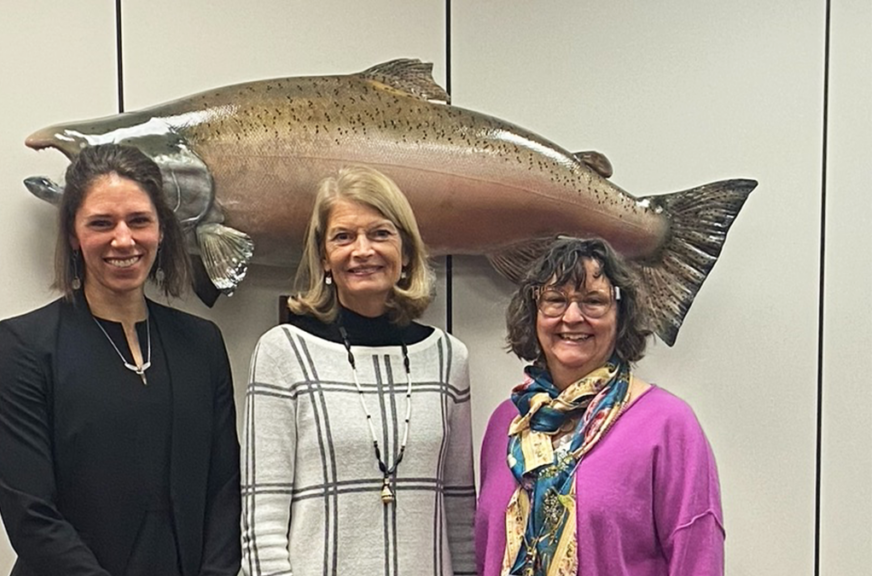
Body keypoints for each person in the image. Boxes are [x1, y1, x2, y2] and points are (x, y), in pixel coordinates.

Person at [0, 144, 240, 576]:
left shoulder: (202, 344)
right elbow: (30, 512)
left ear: (161, 230)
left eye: (139, 220)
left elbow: (224, 491)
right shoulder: (25, 346)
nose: (123, 239)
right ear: (73, 234)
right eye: (101, 224)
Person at [240, 166, 476, 576]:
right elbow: (262, 517)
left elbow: (459, 512)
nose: (362, 250)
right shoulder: (284, 352)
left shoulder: (447, 357)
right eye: (343, 237)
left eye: (380, 233)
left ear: (405, 253)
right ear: (324, 259)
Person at [475, 237, 724, 576]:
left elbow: (697, 559)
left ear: (621, 316)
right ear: (534, 313)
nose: (572, 316)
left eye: (593, 301)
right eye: (555, 300)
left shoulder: (667, 425)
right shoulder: (508, 422)